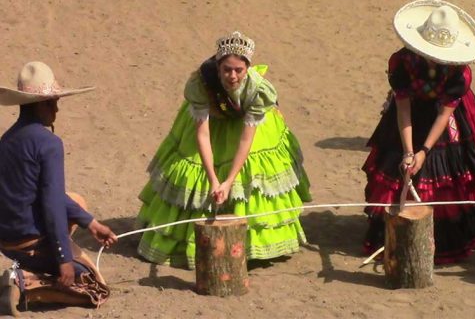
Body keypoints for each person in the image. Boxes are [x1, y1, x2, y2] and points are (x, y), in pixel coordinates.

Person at [136, 31, 311, 269]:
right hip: (211, 121)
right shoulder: (201, 84)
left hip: (245, 127)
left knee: (251, 180)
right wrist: (212, 179)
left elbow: (245, 141)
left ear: (247, 68)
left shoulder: (258, 91)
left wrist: (228, 181)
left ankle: (249, 246)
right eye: (227, 69)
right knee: (191, 172)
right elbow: (202, 134)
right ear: (217, 67)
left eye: (239, 70)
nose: (232, 76)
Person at [362, 0, 475, 264]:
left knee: (447, 173)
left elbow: (444, 114)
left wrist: (424, 151)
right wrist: (409, 151)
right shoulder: (402, 63)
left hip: (450, 119)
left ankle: (442, 238)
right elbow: (403, 108)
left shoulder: (459, 74)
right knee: (401, 168)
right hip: (410, 113)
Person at [0, 61, 118, 316]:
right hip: (29, 243)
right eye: (53, 102)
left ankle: (26, 271)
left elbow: (46, 194)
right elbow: (52, 204)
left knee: (76, 200)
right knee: (94, 287)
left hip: (6, 241)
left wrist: (91, 223)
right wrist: (64, 258)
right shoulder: (49, 144)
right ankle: (24, 282)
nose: (56, 109)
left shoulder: (7, 140)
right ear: (42, 104)